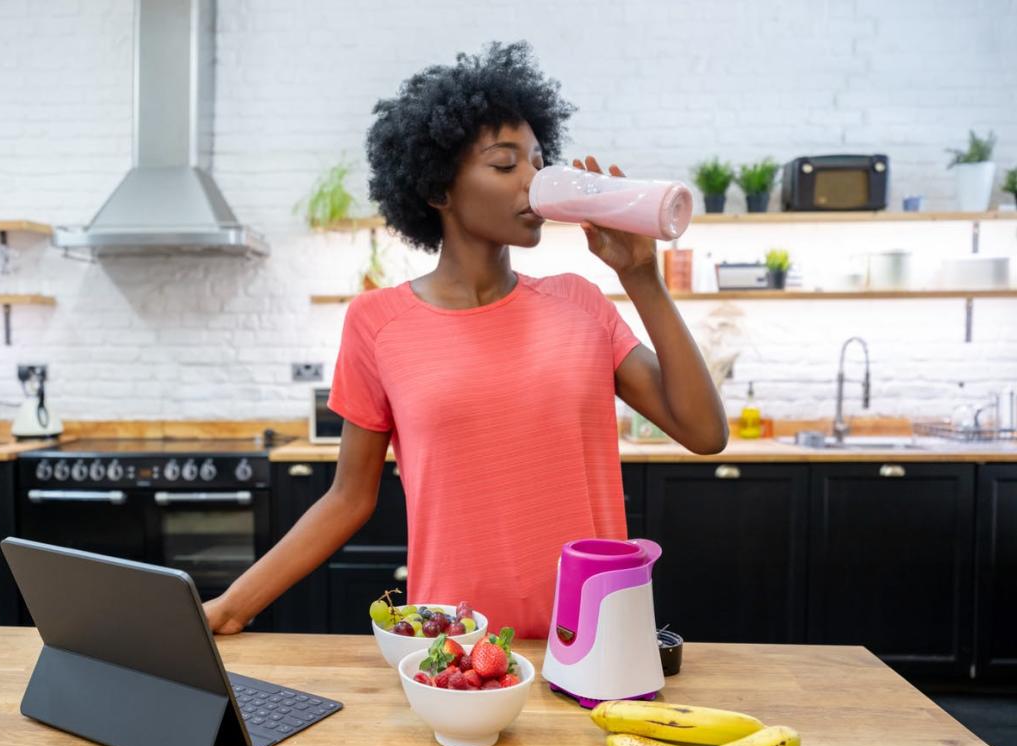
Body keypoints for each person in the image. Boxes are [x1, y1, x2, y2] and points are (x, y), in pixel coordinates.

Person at [206, 41, 727, 639]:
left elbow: (704, 432)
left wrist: (640, 278)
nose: (532, 183)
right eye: (506, 165)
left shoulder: (579, 301)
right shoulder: (377, 323)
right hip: (454, 650)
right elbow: (348, 499)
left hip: (595, 640)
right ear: (437, 190)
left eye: (538, 162)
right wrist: (232, 606)